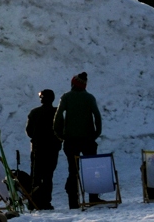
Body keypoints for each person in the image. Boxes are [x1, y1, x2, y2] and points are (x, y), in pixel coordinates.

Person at [53, 71, 102, 209]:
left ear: (73, 84)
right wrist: (96, 133)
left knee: (73, 171)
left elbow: (58, 117)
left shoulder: (66, 97)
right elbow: (97, 117)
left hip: (71, 140)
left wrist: (60, 134)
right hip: (88, 139)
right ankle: (93, 198)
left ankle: (73, 201)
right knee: (92, 169)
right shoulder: (89, 98)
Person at [25, 89, 61, 210]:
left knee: (35, 176)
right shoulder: (57, 112)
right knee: (48, 176)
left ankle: (34, 202)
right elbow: (61, 130)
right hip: (52, 149)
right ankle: (46, 202)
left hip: (37, 148)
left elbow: (29, 132)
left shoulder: (34, 113)